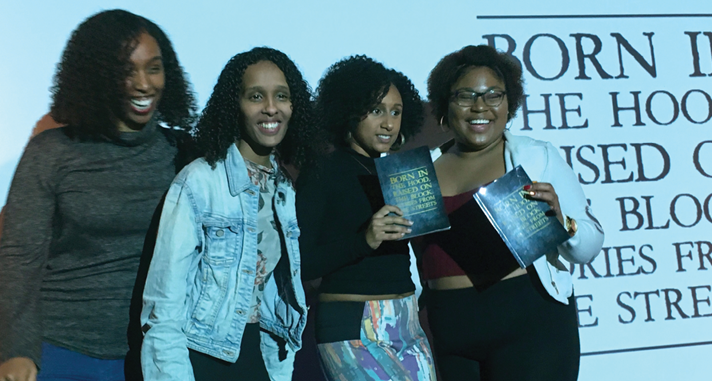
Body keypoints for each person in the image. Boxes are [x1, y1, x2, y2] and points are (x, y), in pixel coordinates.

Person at [0, 9, 197, 381]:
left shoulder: (182, 154)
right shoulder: (52, 153)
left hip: (153, 354)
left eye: (154, 68)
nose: (143, 84)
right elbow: (19, 260)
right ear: (97, 77)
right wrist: (17, 352)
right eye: (126, 71)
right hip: (64, 351)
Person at [419, 45, 604, 381]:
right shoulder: (422, 170)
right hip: (449, 332)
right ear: (446, 103)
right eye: (466, 95)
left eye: (493, 95)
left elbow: (589, 247)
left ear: (509, 103)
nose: (480, 106)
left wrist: (563, 223)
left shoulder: (536, 157)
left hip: (530, 326)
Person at [140, 47, 318, 381]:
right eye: (255, 96)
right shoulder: (200, 181)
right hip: (201, 356)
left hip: (258, 354)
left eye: (282, 96)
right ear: (233, 105)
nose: (270, 107)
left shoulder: (284, 190)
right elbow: (163, 304)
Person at [296, 55, 436, 381]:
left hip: (406, 318)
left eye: (396, 112)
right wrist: (365, 239)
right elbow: (301, 262)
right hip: (352, 321)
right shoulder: (322, 172)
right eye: (376, 110)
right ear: (348, 110)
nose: (388, 123)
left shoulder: (399, 173)